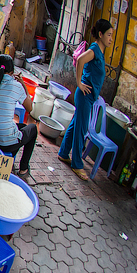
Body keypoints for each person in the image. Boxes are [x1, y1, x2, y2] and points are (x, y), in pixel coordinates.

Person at [58, 19, 114, 180]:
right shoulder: (95, 49)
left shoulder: (100, 52)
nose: (111, 39)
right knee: (81, 130)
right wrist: (79, 83)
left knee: (75, 125)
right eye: (109, 35)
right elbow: (80, 60)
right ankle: (77, 164)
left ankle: (63, 153)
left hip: (89, 96)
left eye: (112, 35)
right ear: (100, 34)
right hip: (84, 95)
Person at [0, 54, 37, 176]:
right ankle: (23, 168)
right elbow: (30, 108)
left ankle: (10, 158)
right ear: (12, 72)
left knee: (21, 127)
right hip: (5, 143)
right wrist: (23, 84)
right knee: (33, 129)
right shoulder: (16, 86)